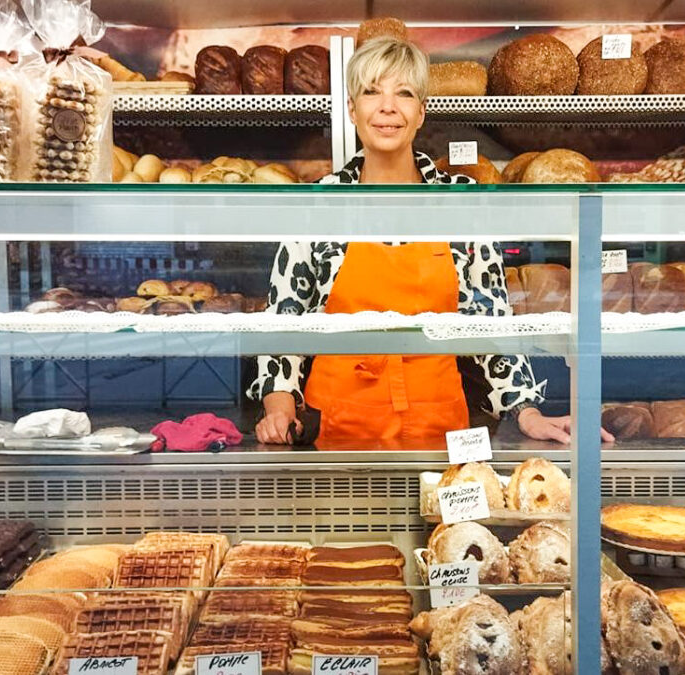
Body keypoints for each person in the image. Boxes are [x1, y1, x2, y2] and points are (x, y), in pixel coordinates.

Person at [249, 37, 589, 447]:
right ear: (352, 109)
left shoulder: (459, 201)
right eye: (372, 91)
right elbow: (284, 319)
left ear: (421, 112)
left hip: (442, 431)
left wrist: (526, 412)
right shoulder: (320, 203)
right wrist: (279, 405)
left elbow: (492, 320)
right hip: (340, 433)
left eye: (404, 93)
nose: (387, 106)